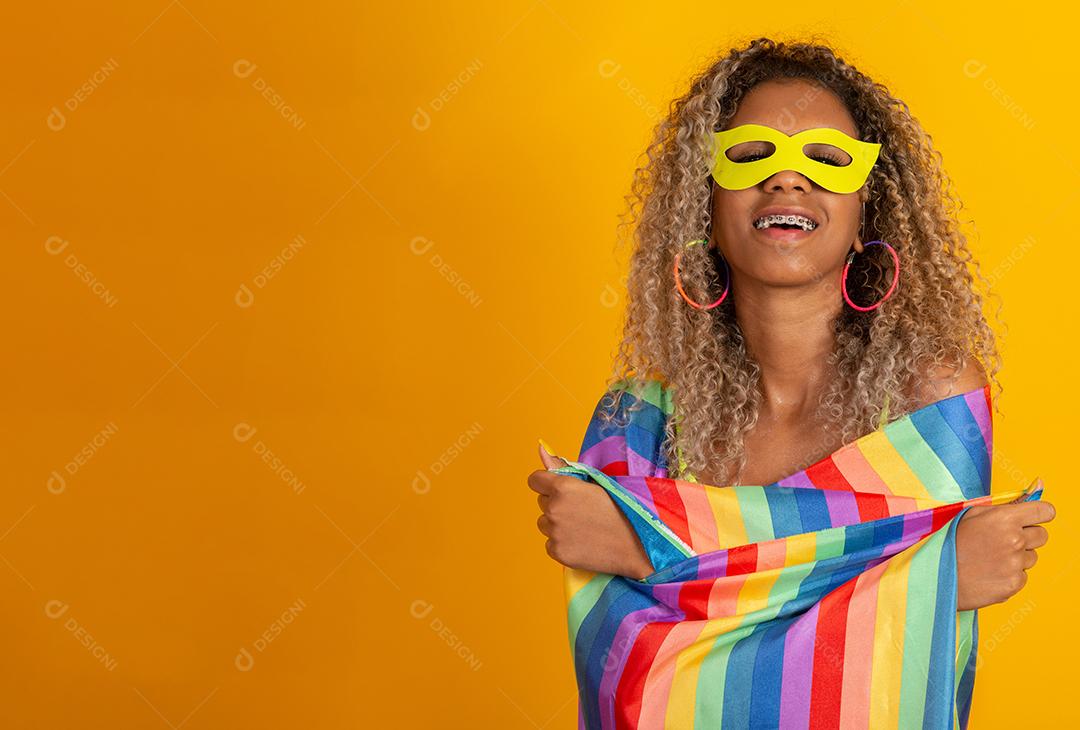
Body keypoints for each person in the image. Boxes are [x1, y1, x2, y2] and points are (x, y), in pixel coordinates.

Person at [527, 37, 1054, 727]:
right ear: (704, 201)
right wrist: (931, 578)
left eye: (828, 162)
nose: (786, 180)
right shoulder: (635, 425)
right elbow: (635, 677)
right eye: (749, 157)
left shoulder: (931, 400)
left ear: (870, 204)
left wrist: (646, 547)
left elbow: (899, 672)